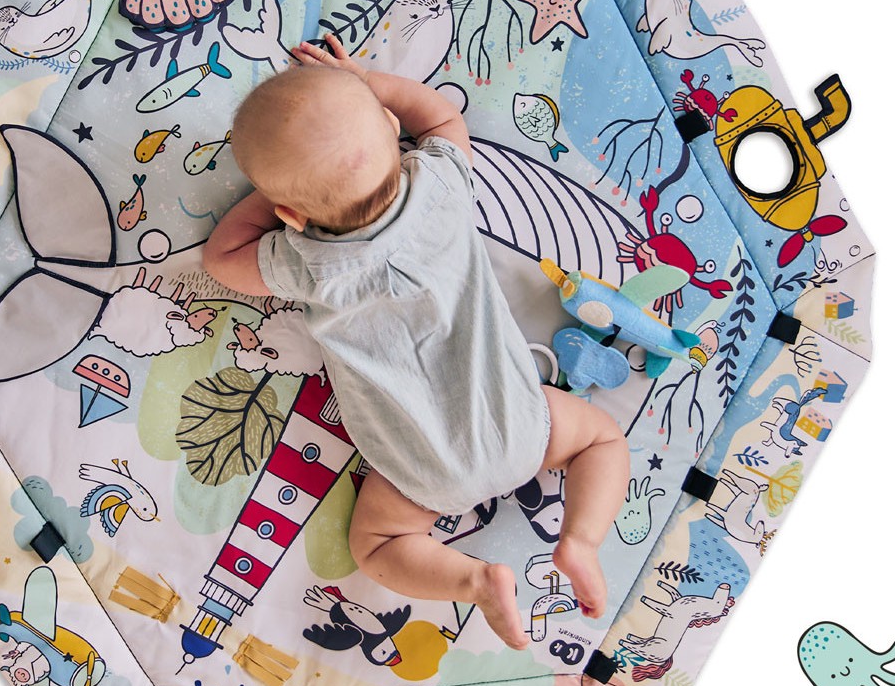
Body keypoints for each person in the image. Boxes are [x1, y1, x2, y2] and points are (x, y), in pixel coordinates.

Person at [202, 33, 628, 648]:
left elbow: (221, 259)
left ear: (289, 215)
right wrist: (365, 81)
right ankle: (581, 541)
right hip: (521, 423)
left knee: (377, 546)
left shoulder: (305, 263)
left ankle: (476, 582)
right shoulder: (440, 184)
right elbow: (441, 117)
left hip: (422, 474)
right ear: (389, 125)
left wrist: (283, 202)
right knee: (602, 440)